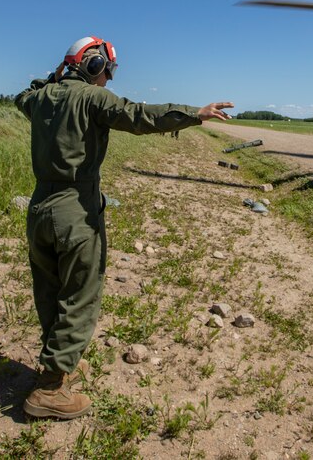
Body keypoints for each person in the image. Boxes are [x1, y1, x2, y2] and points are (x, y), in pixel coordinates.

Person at [14, 36, 233, 419]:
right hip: (76, 209)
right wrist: (194, 113)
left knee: (49, 289)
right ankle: (49, 388)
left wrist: (57, 75)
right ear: (94, 65)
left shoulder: (40, 98)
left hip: (39, 208)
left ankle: (57, 365)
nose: (108, 81)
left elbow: (23, 96)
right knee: (80, 293)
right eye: (107, 72)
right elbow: (140, 116)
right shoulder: (92, 98)